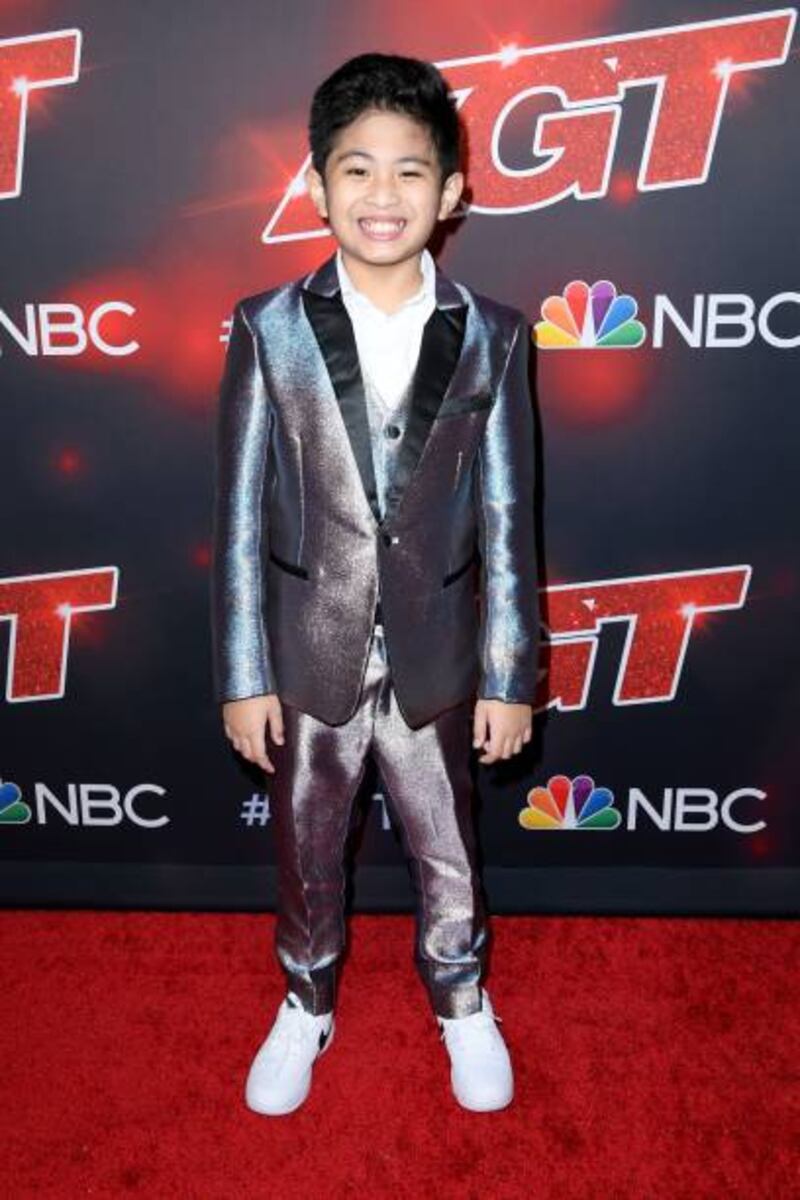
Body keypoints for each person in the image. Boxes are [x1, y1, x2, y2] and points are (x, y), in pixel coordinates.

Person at [210, 51, 540, 1116]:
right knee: (306, 850)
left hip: (439, 655)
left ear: (450, 194)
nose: (381, 195)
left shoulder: (492, 333)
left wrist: (506, 676)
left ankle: (460, 997)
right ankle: (306, 1000)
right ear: (313, 186)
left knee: (448, 848)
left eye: (409, 172)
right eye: (355, 170)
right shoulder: (266, 327)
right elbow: (239, 511)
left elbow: (503, 517)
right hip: (309, 652)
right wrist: (242, 671)